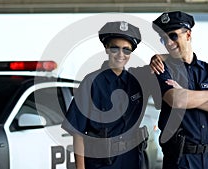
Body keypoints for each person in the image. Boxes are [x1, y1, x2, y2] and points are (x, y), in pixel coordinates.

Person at [62, 21, 157, 169]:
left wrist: (159, 57)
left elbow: (173, 60)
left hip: (133, 161)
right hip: (101, 163)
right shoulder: (91, 82)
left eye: (126, 50)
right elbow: (78, 133)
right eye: (115, 48)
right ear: (106, 49)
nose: (121, 54)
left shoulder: (139, 79)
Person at [150, 11, 208, 169]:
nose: (168, 43)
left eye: (173, 36)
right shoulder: (162, 69)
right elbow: (177, 100)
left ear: (188, 35)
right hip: (181, 161)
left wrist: (187, 97)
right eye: (164, 39)